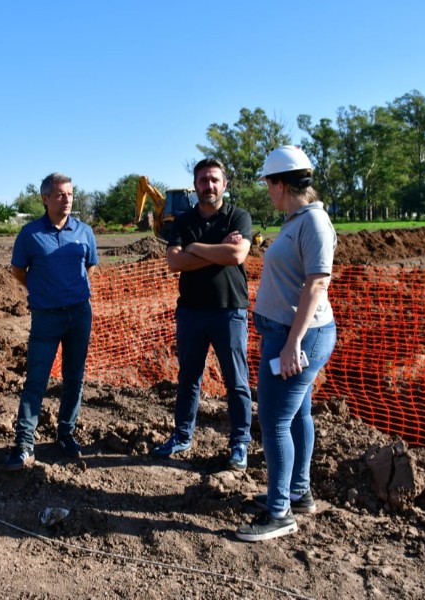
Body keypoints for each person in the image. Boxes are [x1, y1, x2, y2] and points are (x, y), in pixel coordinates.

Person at [235, 145, 337, 542]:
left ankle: (280, 512)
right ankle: (298, 492)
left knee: (275, 420)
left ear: (280, 184)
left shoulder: (313, 223)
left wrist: (292, 344)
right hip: (292, 334)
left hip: (298, 336)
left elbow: (317, 283)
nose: (266, 191)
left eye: (268, 184)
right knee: (296, 416)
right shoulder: (298, 219)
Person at [152, 158, 254, 471]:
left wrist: (194, 248)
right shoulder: (183, 220)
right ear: (195, 185)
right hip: (192, 313)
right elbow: (174, 263)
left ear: (224, 184)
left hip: (230, 311)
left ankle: (239, 444)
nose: (208, 186)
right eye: (202, 180)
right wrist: (216, 250)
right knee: (188, 379)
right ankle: (182, 436)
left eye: (214, 180)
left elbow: (236, 254)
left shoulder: (239, 216)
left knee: (236, 382)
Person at [4, 172, 99, 471]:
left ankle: (66, 433)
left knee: (74, 378)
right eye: (60, 194)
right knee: (36, 380)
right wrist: (43, 290)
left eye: (70, 194)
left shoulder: (84, 231)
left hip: (79, 315)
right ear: (45, 198)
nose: (67, 199)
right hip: (46, 318)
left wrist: (72, 292)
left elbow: (90, 267)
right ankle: (24, 444)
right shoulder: (30, 234)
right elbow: (19, 271)